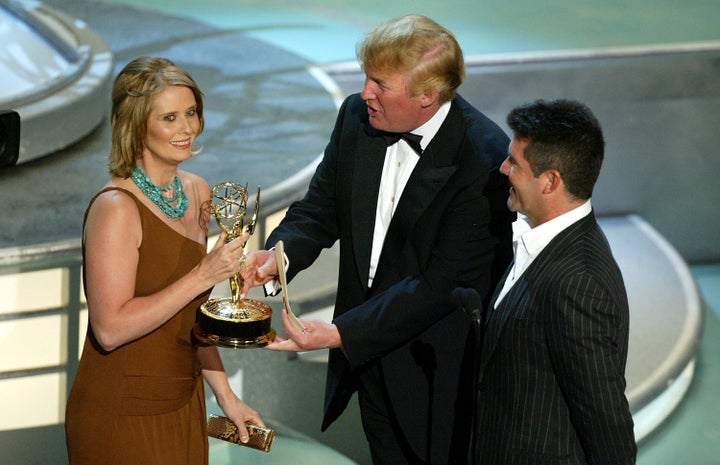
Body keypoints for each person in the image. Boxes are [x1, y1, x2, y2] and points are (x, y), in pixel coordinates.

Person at [240, 15, 513, 465]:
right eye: (367, 77)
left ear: (427, 96)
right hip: (367, 361)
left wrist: (341, 332)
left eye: (380, 84)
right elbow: (320, 208)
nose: (365, 92)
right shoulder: (356, 117)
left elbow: (440, 285)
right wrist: (279, 256)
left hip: (434, 373)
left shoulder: (482, 159)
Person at [64, 56, 264, 465]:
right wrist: (203, 274)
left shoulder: (197, 191)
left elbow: (192, 318)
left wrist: (226, 397)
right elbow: (110, 329)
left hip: (183, 403)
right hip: (122, 413)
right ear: (135, 125)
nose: (187, 128)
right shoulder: (115, 208)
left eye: (191, 112)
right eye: (169, 117)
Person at [475, 99, 637, 464]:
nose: (502, 169)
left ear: (550, 181)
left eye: (514, 162)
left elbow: (605, 419)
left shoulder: (578, 282)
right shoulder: (547, 243)